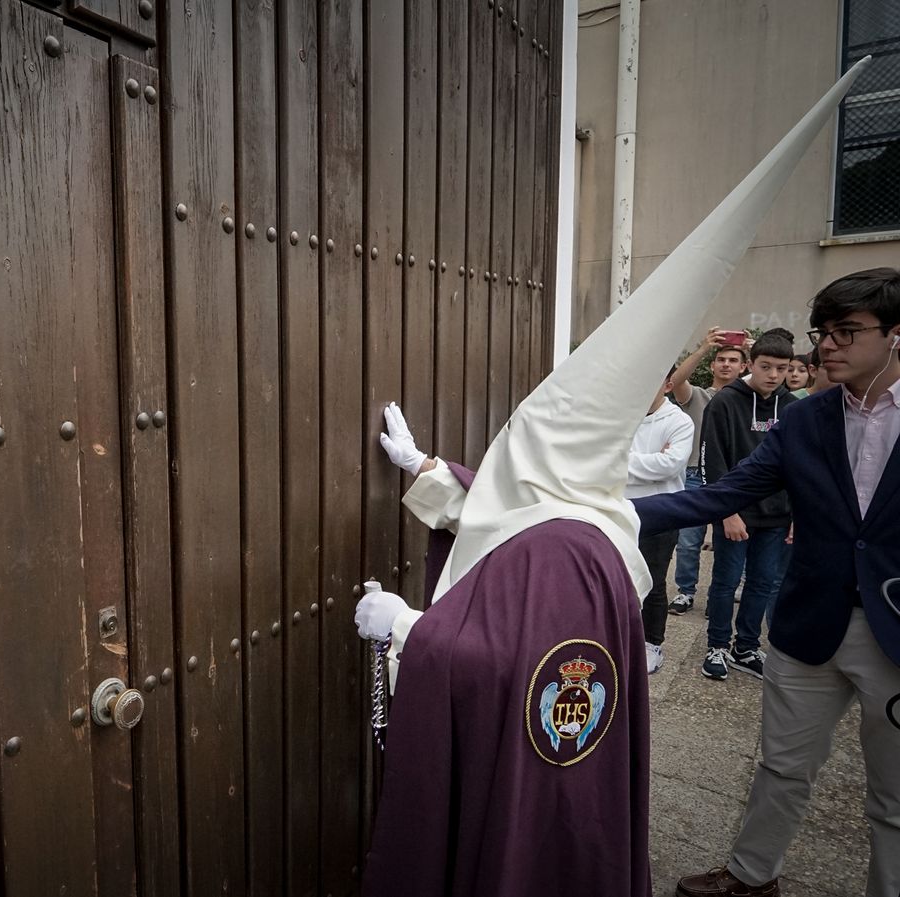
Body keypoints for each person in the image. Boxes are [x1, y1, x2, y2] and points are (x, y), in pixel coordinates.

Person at [350, 65, 864, 897]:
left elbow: (502, 663)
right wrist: (429, 470)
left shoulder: (559, 553)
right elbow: (514, 508)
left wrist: (406, 625)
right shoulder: (587, 518)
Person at [635, 266, 900, 897]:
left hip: (894, 636)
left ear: (897, 335)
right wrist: (604, 512)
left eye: (845, 331)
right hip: (808, 623)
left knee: (893, 799)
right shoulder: (807, 421)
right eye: (822, 332)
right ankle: (752, 877)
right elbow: (723, 493)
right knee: (780, 766)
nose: (825, 346)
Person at [693, 332, 799, 680]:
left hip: (777, 515)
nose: (773, 374)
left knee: (763, 582)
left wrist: (797, 514)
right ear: (750, 364)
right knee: (725, 582)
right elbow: (713, 461)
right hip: (735, 514)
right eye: (765, 366)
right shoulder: (724, 402)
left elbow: (801, 465)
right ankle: (718, 646)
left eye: (781, 368)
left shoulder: (792, 407)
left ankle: (746, 647)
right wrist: (727, 511)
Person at [668, 332, 748, 614]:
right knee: (688, 542)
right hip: (694, 476)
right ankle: (685, 591)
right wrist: (703, 349)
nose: (726, 364)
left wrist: (753, 350)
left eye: (733, 360)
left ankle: (730, 589)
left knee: (735, 539)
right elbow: (674, 383)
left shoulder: (747, 400)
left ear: (744, 367)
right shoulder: (698, 397)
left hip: (733, 477)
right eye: (721, 360)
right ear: (713, 366)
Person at [629, 367, 694, 674]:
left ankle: (651, 643)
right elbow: (597, 456)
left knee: (653, 581)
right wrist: (650, 460)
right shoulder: (621, 416)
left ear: (668, 385)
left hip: (662, 511)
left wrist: (620, 459)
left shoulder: (679, 421)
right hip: (620, 509)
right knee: (617, 579)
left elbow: (670, 466)